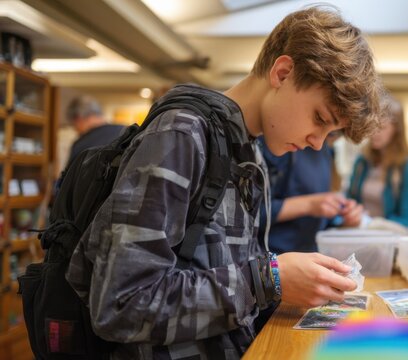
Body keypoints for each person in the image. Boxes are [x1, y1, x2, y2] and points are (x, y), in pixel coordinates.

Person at [66, 6, 381, 359]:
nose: (317, 142)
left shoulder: (251, 154)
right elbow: (121, 304)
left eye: (330, 131)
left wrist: (288, 280)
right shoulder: (180, 136)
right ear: (283, 72)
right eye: (319, 118)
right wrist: (268, 280)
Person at [258, 131, 363, 254]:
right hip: (274, 257)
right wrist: (309, 205)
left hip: (310, 254)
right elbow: (251, 215)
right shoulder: (280, 144)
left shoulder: (325, 151)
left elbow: (321, 225)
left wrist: (345, 221)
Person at [347, 94, 408, 227]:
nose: (374, 133)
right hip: (360, 235)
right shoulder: (362, 162)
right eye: (371, 126)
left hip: (390, 239)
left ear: (396, 131)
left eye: (382, 127)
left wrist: (372, 224)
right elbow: (351, 200)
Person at [66, 95, 125, 163]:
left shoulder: (82, 145)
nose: (76, 130)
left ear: (78, 119)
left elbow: (72, 173)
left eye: (74, 125)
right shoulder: (125, 132)